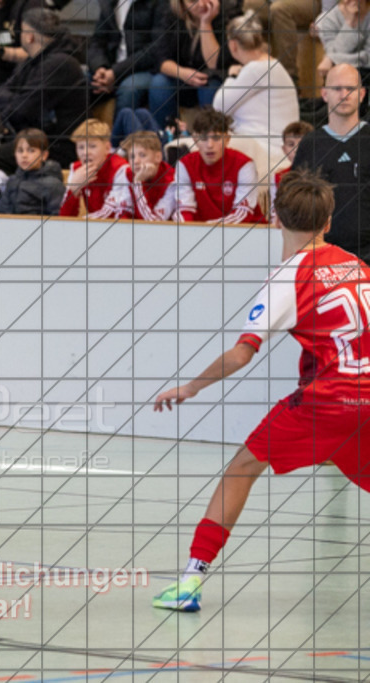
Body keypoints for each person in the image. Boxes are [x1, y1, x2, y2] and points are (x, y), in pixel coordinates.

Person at [152, 168, 370, 612]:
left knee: (240, 469)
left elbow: (240, 355)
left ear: (275, 220)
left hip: (329, 401)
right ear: (329, 222)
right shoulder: (358, 265)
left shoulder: (287, 279)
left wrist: (191, 387)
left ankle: (191, 581)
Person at [0, 8, 88, 172]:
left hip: (57, 145)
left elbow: (21, 110)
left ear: (29, 36)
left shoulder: (60, 64)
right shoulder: (34, 60)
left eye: (22, 31)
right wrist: (13, 102)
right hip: (33, 138)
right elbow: (1, 92)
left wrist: (11, 102)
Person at [291, 63, 370, 262]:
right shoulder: (310, 144)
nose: (344, 94)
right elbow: (297, 202)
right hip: (323, 255)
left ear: (362, 94)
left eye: (350, 89)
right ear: (324, 94)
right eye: (337, 88)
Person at [212, 12, 299, 180]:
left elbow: (219, 106)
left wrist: (231, 77)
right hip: (268, 146)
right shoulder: (268, 65)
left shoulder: (256, 70)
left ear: (233, 45)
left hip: (267, 151)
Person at [149, 0, 241, 129]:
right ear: (181, 3)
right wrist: (182, 73)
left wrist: (206, 22)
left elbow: (214, 63)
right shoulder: (170, 14)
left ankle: (210, 139)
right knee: (159, 83)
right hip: (183, 77)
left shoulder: (228, 14)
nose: (201, 4)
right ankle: (168, 139)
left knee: (209, 87)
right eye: (193, 1)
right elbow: (161, 59)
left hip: (214, 78)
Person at [171, 108, 262, 223]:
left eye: (216, 138)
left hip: (244, 233)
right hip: (199, 233)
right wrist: (190, 233)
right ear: (195, 139)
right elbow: (184, 208)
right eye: (203, 138)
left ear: (227, 139)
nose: (209, 145)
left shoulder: (244, 165)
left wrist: (208, 230)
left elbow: (243, 212)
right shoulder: (184, 165)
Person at [86, 0, 170, 111]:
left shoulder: (160, 4)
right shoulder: (110, 4)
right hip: (111, 67)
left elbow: (155, 49)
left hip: (145, 69)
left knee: (128, 90)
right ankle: (87, 128)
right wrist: (100, 68)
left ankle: (122, 127)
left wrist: (115, 73)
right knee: (79, 80)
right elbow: (97, 41)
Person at [97, 130, 175, 220]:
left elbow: (153, 222)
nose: (136, 161)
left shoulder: (172, 181)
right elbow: (123, 212)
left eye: (142, 155)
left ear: (158, 157)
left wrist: (138, 183)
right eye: (132, 156)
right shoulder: (129, 174)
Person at [59, 118, 129, 217]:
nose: (85, 153)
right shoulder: (76, 169)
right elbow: (65, 217)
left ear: (107, 148)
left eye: (92, 146)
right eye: (81, 147)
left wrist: (84, 222)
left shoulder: (121, 169)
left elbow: (113, 214)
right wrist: (73, 189)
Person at [0, 127, 65, 215]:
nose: (24, 155)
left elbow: (58, 216)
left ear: (44, 155)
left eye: (31, 151)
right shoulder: (12, 181)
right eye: (20, 151)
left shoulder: (53, 185)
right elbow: (3, 212)